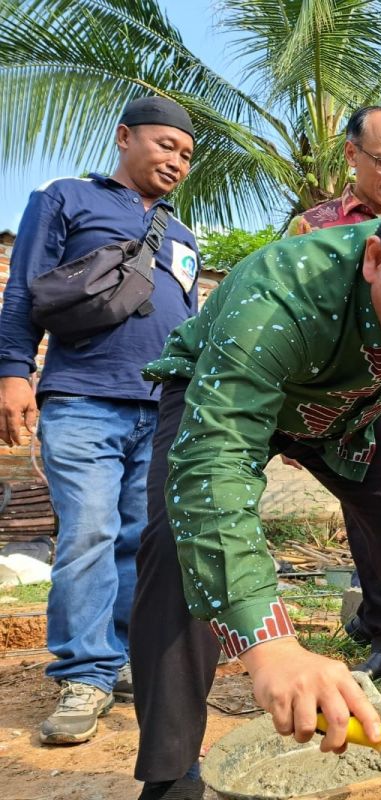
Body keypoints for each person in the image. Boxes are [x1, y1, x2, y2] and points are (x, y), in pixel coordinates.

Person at [128, 151, 381, 799]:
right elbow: (215, 473)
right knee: (178, 540)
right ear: (376, 260)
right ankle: (171, 777)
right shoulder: (279, 293)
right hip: (225, 393)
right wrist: (270, 646)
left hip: (354, 413)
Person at [0, 97, 199, 746]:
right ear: (125, 138)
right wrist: (11, 373)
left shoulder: (182, 235)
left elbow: (191, 326)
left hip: (162, 410)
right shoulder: (65, 198)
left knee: (141, 542)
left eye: (187, 154)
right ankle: (84, 673)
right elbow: (24, 289)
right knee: (88, 531)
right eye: (166, 145)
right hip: (82, 397)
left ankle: (120, 660)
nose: (176, 160)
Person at [283, 105, 381, 680]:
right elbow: (291, 322)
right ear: (351, 155)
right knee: (369, 525)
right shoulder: (315, 229)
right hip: (356, 402)